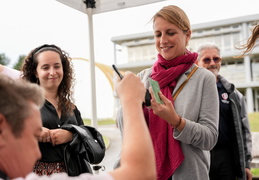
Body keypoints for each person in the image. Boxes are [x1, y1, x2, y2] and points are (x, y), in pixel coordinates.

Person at [116, 5, 219, 180]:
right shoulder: (143, 78)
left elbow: (209, 139)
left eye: (170, 33)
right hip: (145, 173)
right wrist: (129, 100)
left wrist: (176, 121)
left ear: (187, 35)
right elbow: (124, 131)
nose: (163, 40)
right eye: (158, 34)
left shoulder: (204, 79)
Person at [0, 72, 156, 180]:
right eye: (34, 136)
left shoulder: (71, 108)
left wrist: (71, 134)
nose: (37, 153)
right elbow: (141, 173)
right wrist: (131, 100)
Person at [21, 44, 105, 176]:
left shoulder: (71, 107)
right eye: (45, 67)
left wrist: (71, 135)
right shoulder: (24, 104)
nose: (52, 72)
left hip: (74, 173)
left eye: (57, 66)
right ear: (35, 72)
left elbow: (88, 141)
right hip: (38, 176)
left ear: (64, 69)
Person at [196, 42, 253, 180]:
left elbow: (244, 131)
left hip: (225, 156)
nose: (212, 63)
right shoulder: (192, 92)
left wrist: (246, 164)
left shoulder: (233, 94)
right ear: (197, 62)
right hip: (200, 154)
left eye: (216, 59)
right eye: (207, 59)